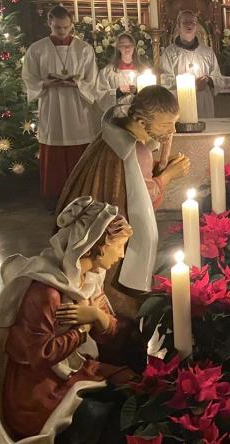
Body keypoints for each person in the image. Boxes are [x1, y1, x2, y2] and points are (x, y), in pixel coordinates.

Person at [0, 197, 136, 443]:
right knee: (100, 416)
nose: (122, 254)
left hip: (71, 368)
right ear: (99, 245)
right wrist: (82, 332)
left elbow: (113, 333)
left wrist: (96, 316)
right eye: (120, 246)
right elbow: (40, 355)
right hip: (38, 391)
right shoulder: (45, 292)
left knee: (133, 383)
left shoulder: (90, 278)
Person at [56, 86, 189, 322]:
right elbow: (143, 200)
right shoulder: (135, 151)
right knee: (115, 295)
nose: (172, 131)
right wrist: (169, 175)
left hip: (87, 226)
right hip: (110, 238)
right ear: (139, 120)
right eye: (165, 125)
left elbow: (135, 180)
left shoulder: (113, 132)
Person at [22, 5, 105, 202]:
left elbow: (92, 81)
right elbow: (28, 79)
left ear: (71, 24)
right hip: (52, 108)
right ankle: (55, 198)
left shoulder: (84, 49)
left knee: (79, 150)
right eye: (58, 27)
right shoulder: (37, 49)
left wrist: (77, 83)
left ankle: (82, 196)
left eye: (66, 27)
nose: (62, 32)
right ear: (50, 23)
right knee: (54, 153)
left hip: (78, 108)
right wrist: (45, 83)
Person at [160, 10, 222, 118]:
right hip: (180, 102)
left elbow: (219, 78)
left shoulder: (207, 52)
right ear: (178, 27)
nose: (189, 25)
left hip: (203, 101)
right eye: (185, 22)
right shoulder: (169, 53)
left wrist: (208, 80)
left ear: (196, 26)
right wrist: (190, 84)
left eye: (192, 22)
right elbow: (165, 81)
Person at [97, 33, 143, 112]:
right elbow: (100, 95)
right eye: (122, 45)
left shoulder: (143, 71)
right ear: (118, 48)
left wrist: (136, 91)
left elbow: (150, 94)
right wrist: (118, 92)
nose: (127, 47)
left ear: (134, 47)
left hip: (138, 115)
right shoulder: (107, 72)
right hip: (116, 116)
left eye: (130, 45)